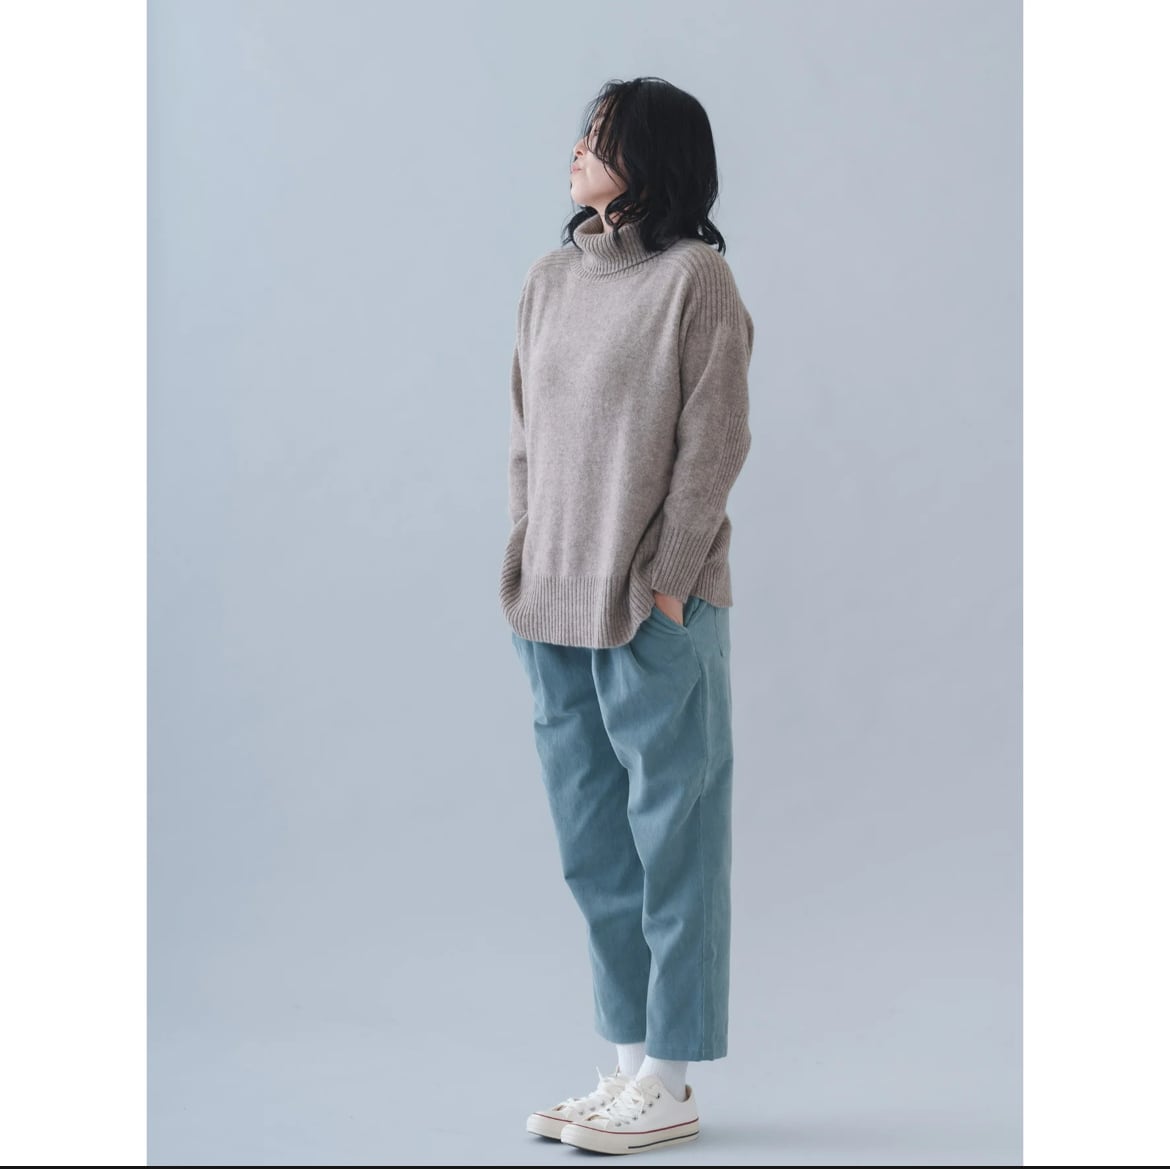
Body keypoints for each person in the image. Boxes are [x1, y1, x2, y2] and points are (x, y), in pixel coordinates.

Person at [499, 76, 755, 1156]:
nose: (575, 151)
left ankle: (671, 1078)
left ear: (648, 157)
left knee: (673, 847)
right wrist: (524, 557)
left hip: (651, 607)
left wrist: (669, 581)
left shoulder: (695, 279)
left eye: (597, 137)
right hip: (552, 601)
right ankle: (624, 1066)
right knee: (594, 850)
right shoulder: (550, 279)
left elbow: (715, 439)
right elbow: (527, 435)